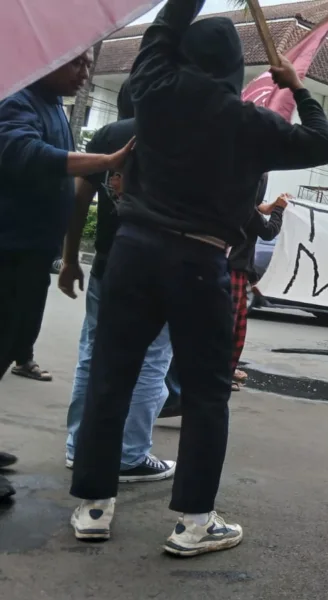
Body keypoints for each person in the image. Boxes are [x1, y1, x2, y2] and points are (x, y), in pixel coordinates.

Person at [69, 0, 328, 557]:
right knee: (208, 394)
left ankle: (94, 507)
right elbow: (322, 144)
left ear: (184, 54)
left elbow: (164, 29)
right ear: (235, 68)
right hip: (201, 263)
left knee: (110, 380)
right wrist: (298, 87)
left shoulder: (152, 92)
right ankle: (194, 522)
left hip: (134, 253)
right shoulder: (252, 123)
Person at [0, 52, 134, 503]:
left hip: (31, 252)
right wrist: (105, 160)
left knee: (16, 341)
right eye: (77, 63)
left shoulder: (51, 105)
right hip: (8, 250)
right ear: (47, 60)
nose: (86, 73)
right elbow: (22, 152)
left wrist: (66, 255)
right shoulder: (17, 98)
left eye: (91, 63)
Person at [59, 83, 175, 483]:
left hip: (109, 263)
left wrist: (71, 257)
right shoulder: (179, 134)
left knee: (93, 354)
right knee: (151, 361)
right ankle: (128, 455)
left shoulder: (109, 136)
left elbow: (78, 199)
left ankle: (79, 447)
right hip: (158, 268)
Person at [229, 176, 287, 392]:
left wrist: (252, 278)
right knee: (232, 331)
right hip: (233, 271)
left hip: (235, 270)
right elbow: (268, 231)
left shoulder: (234, 201)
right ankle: (222, 374)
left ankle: (225, 371)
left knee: (233, 329)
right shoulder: (245, 207)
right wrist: (278, 210)